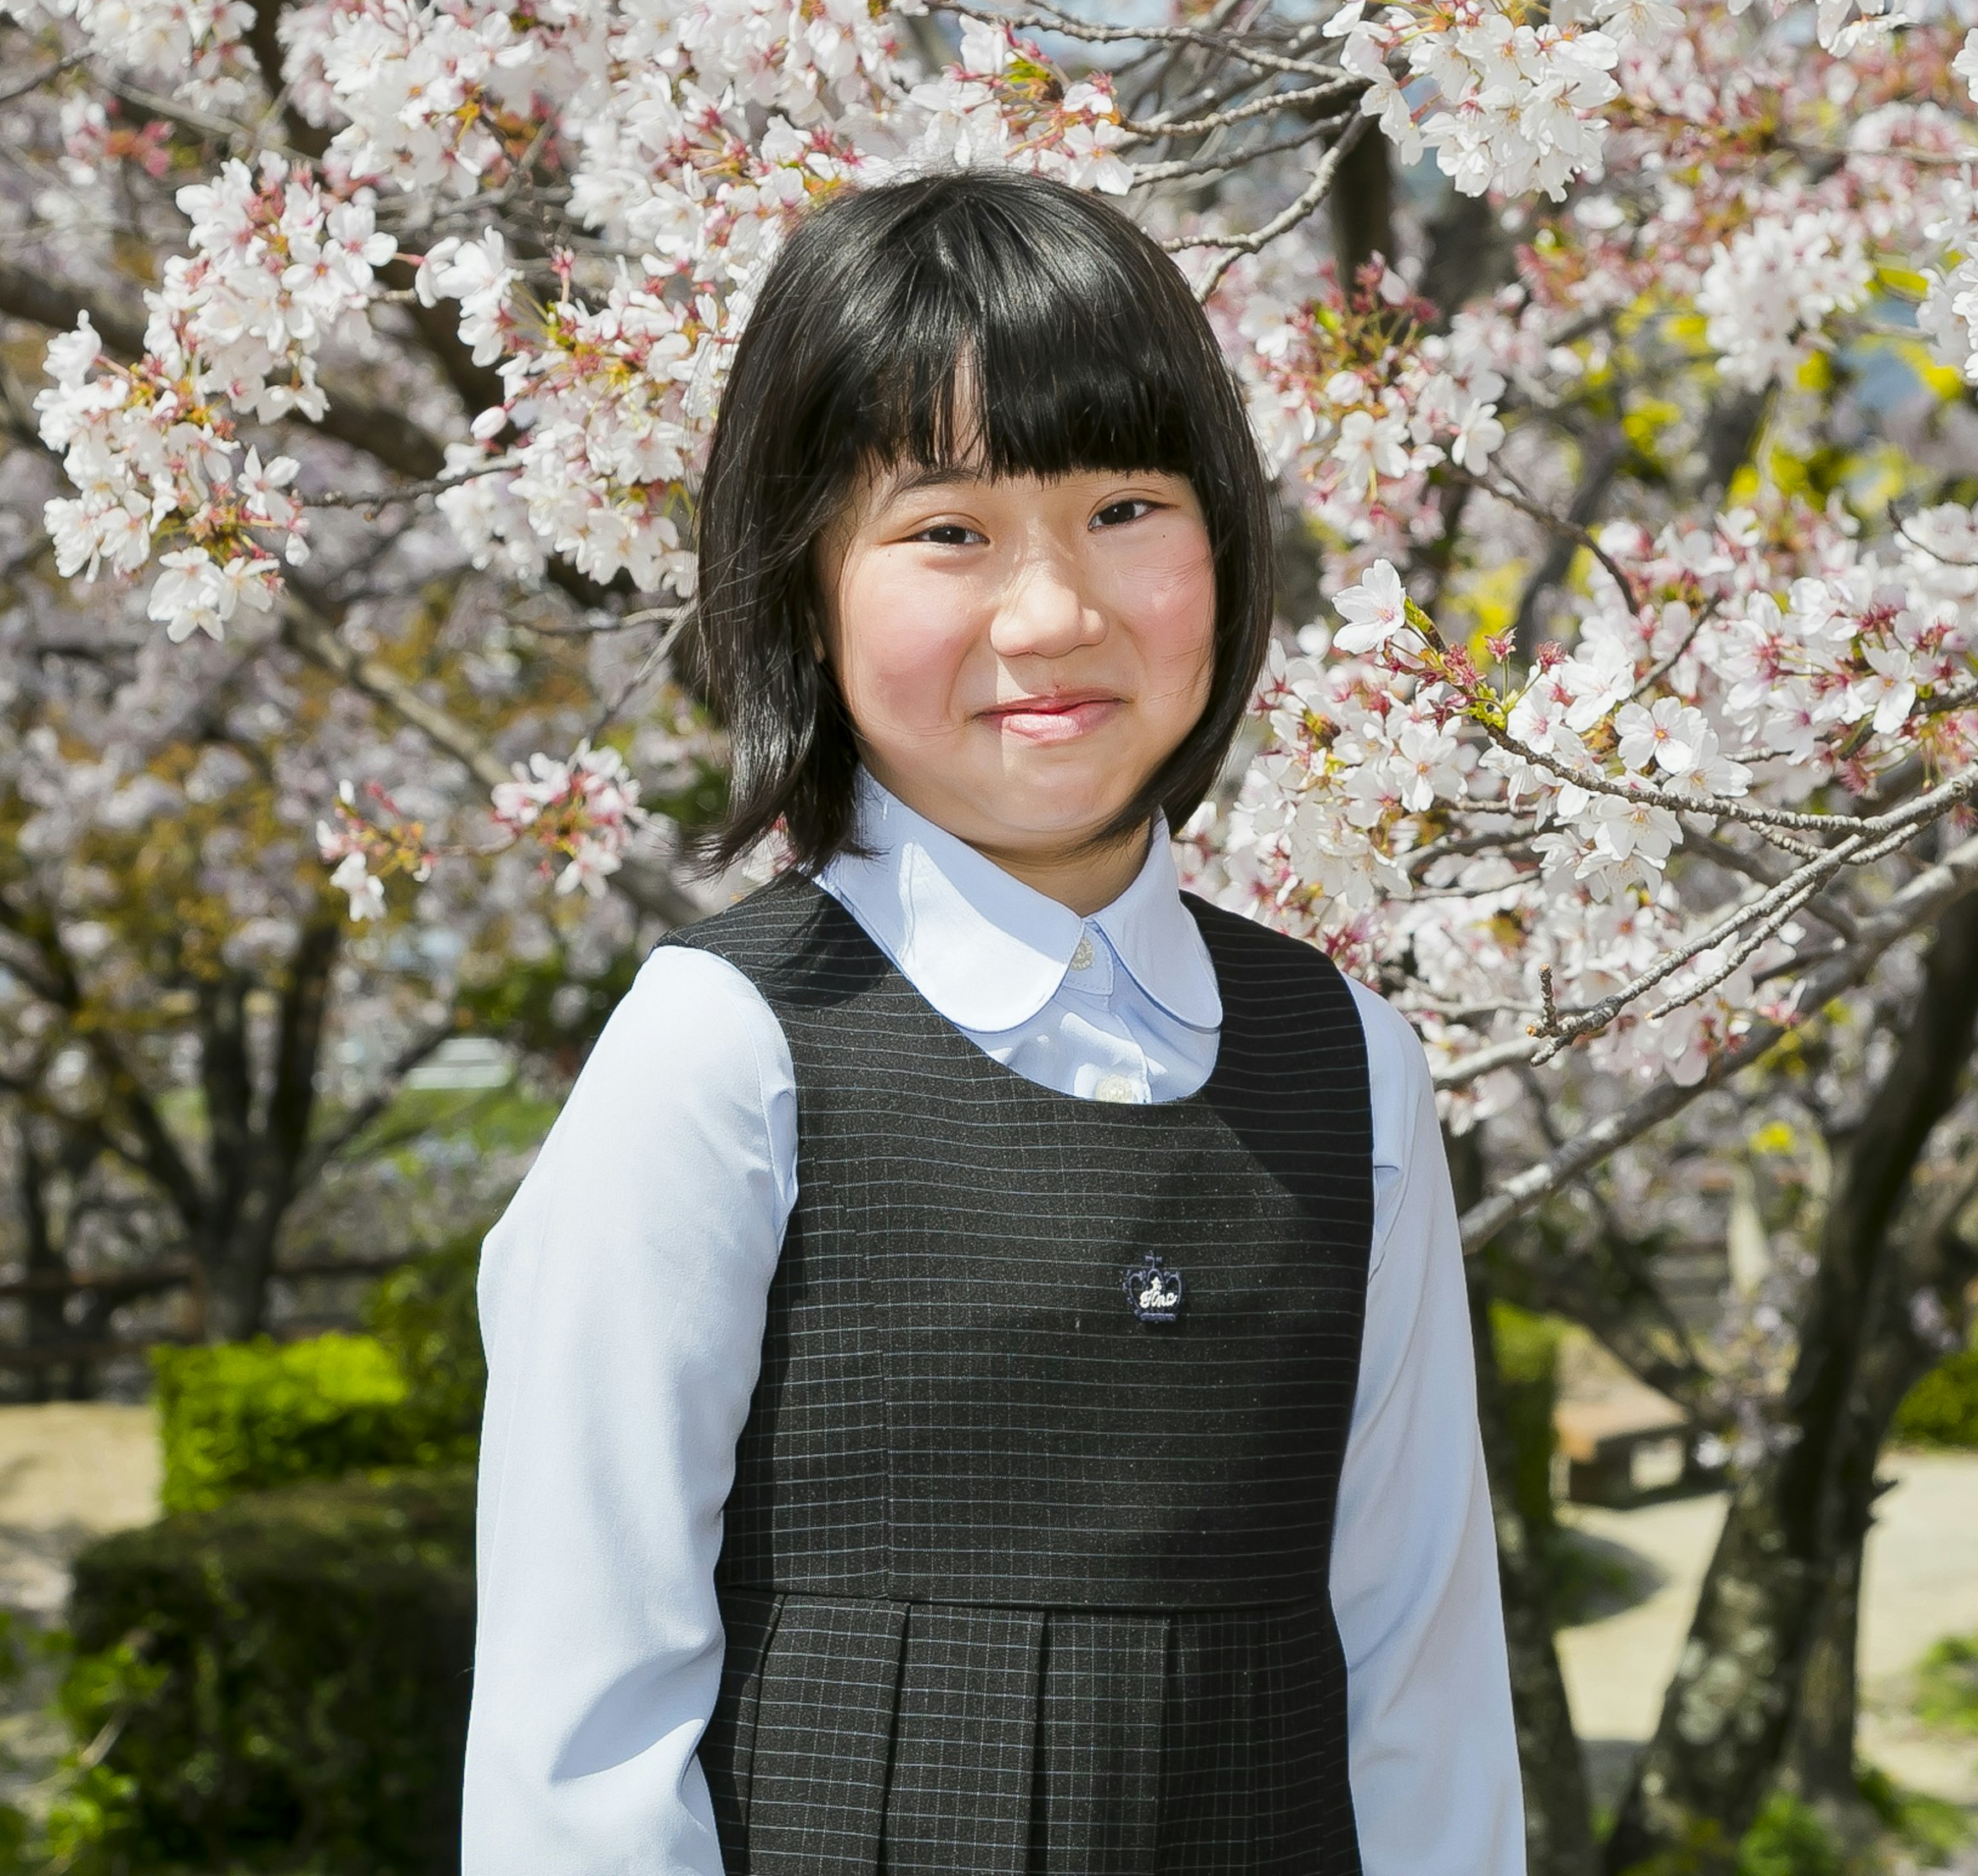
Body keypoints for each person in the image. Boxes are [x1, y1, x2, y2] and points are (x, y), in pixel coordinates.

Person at [460, 169, 1524, 1875]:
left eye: (1125, 507)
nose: (1054, 612)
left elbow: (1423, 1677)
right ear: (801, 581)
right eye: (947, 529)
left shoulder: (1352, 1065)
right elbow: (579, 1736)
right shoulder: (728, 1054)